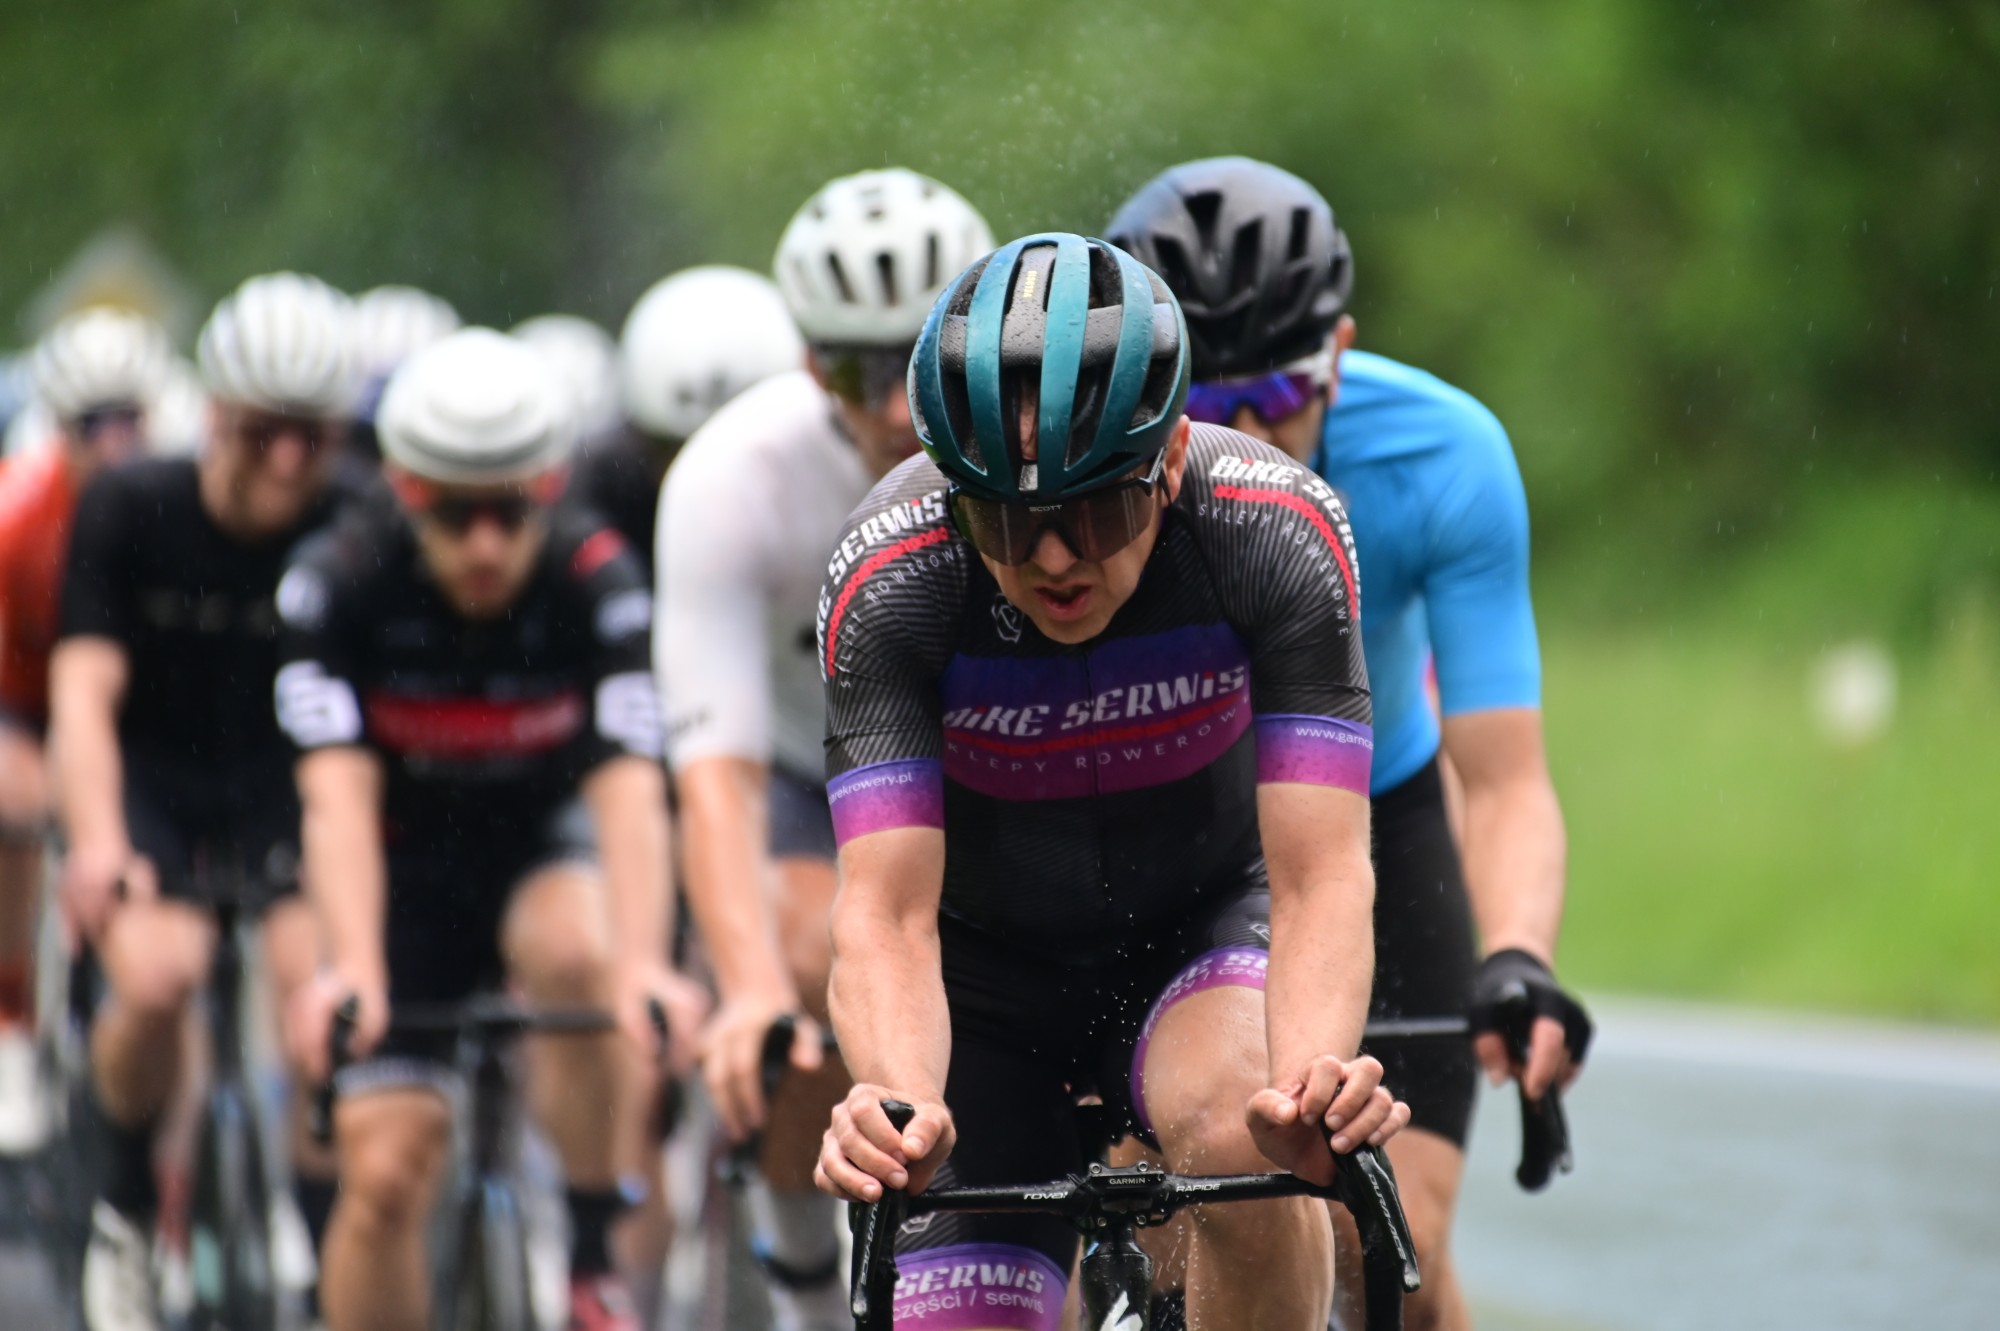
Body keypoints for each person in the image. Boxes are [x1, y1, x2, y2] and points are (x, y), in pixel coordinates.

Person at [811, 232, 1410, 1330]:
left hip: (1195, 931)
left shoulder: (1273, 531)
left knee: (1248, 1130)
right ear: (954, 497)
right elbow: (883, 912)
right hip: (979, 981)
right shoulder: (890, 578)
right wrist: (898, 1105)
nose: (1054, 559)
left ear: (1171, 458)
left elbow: (1321, 872)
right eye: (1007, 520)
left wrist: (1313, 1081)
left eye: (1098, 512)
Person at [1109, 156, 1593, 1331]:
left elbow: (1503, 777)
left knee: (1396, 1256)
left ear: (1338, 352)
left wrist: (1517, 954)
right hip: (1166, 845)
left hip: (1375, 819)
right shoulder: (1092, 493)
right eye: (1205, 403)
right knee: (1155, 1220)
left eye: (1280, 393)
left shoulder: (1442, 454)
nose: (1247, 435)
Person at [277, 327, 706, 1331]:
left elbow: (627, 786)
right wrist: (351, 966)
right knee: (384, 1173)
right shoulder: (340, 578)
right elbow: (334, 796)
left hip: (537, 845)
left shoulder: (596, 577)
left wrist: (645, 962)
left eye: (509, 512)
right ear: (404, 490)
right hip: (398, 868)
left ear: (547, 490)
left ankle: (591, 1246)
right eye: (453, 514)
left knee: (580, 950)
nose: (484, 545)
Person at [656, 168, 991, 1331]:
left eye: (919, 362)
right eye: (856, 371)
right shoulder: (729, 477)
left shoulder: (1040, 448)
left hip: (998, 767)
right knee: (803, 973)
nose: (895, 407)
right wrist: (747, 986)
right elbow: (715, 772)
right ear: (806, 364)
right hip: (820, 774)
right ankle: (807, 1270)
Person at [50, 273, 356, 1331]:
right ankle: (127, 1202)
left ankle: (321, 1247)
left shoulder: (352, 520)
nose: (288, 462)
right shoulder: (130, 505)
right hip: (156, 780)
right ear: (217, 413)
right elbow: (82, 694)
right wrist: (97, 843)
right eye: (265, 431)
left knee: (322, 1008)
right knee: (157, 974)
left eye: (313, 437)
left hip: (285, 785)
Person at [0, 308, 170, 1156]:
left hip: (134, 710)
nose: (114, 444)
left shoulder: (170, 503)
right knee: (15, 803)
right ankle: (11, 1009)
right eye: (91, 425)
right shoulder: (17, 515)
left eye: (129, 421)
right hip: (25, 699)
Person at [584, 264, 806, 568]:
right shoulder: (601, 490)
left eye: (743, 454)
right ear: (640, 441)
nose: (712, 478)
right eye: (678, 450)